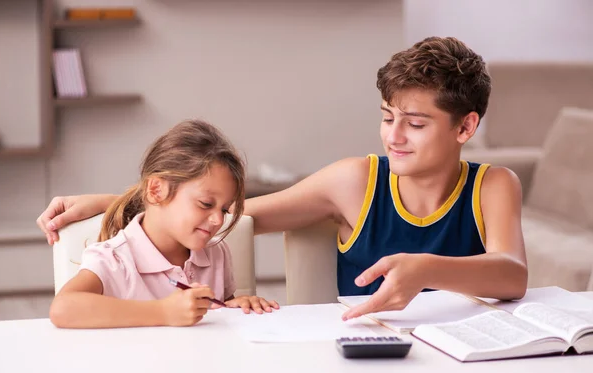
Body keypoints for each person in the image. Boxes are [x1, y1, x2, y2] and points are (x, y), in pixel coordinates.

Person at [39, 37, 526, 321]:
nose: (393, 137)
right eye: (386, 117)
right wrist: (113, 200)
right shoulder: (355, 181)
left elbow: (512, 274)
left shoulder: (493, 185)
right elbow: (233, 212)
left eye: (415, 124)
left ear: (465, 127)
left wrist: (428, 270)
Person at [48, 120, 279, 329]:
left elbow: (217, 315)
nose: (218, 220)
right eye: (206, 203)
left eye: (224, 209)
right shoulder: (115, 259)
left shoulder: (216, 253)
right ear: (156, 190)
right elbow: (63, 308)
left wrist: (236, 307)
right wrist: (163, 312)